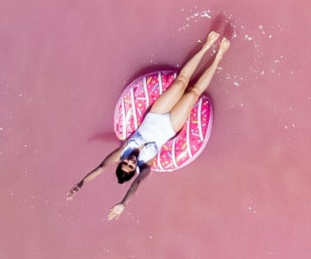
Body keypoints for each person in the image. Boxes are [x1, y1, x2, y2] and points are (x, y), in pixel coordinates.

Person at [67, 30, 230, 220]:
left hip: (156, 114)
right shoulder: (145, 167)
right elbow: (135, 185)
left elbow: (102, 167)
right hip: (170, 126)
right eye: (130, 166)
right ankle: (219, 56)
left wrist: (81, 183)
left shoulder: (124, 150)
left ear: (122, 161)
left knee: (180, 83)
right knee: (193, 93)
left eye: (126, 163)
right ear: (134, 170)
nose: (130, 161)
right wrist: (123, 204)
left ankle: (206, 47)